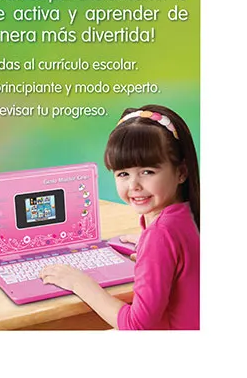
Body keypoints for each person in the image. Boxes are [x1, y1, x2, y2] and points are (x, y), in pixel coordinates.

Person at [39, 105, 200, 329]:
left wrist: (80, 284)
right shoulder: (188, 217)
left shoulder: (161, 236)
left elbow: (136, 327)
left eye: (147, 172)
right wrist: (151, 247)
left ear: (181, 172)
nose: (134, 185)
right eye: (123, 173)